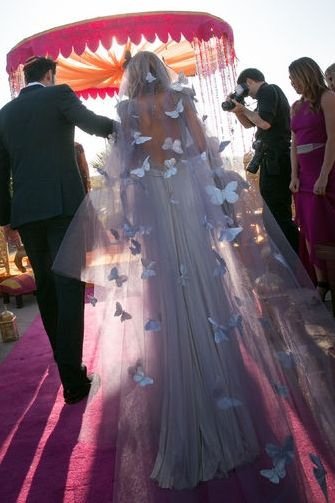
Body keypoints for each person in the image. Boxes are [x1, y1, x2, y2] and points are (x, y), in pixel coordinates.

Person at [54, 51, 335, 501]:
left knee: (165, 292)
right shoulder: (179, 95)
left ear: (131, 79)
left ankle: (180, 410)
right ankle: (222, 407)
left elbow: (124, 165)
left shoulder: (126, 110)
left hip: (152, 202)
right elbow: (202, 146)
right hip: (183, 194)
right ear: (162, 72)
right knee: (204, 284)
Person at [0, 56, 117, 404]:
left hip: (27, 213)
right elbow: (94, 125)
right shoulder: (59, 94)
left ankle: (68, 370)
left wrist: (6, 221)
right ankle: (72, 376)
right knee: (68, 287)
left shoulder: (4, 113)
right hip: (64, 208)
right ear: (49, 76)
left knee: (48, 290)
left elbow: (0, 171)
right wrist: (132, 127)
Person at [226, 68, 299, 253]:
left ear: (249, 82)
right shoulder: (266, 96)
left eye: (243, 88)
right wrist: (238, 110)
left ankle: (296, 259)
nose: (245, 93)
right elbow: (250, 123)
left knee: (276, 215)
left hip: (276, 158)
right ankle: (294, 258)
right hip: (273, 158)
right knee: (273, 214)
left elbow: (264, 123)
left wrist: (244, 108)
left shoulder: (268, 90)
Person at [289, 56, 335, 300]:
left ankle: (330, 278)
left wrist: (324, 175)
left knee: (324, 226)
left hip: (324, 171)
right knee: (307, 228)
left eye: (294, 78)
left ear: (306, 74)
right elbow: (294, 144)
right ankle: (321, 282)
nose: (292, 83)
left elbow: (333, 139)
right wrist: (294, 175)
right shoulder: (295, 106)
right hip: (304, 176)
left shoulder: (327, 98)